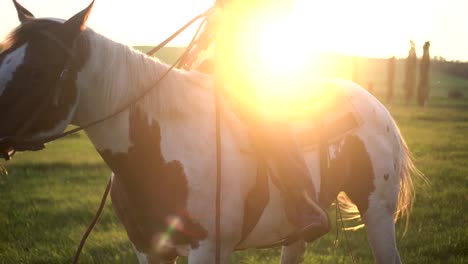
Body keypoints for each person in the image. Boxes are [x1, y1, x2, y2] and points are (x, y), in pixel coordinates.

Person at [183, 0, 330, 243]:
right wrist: (198, 46)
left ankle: (305, 203)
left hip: (259, 65)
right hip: (221, 62)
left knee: (269, 120)